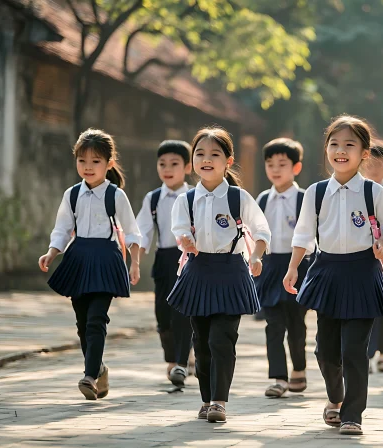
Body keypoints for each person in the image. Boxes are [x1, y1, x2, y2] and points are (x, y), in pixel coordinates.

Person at [284, 115, 383, 435]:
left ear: (364, 153)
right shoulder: (316, 193)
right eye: (334, 144)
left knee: (354, 350)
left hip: (363, 273)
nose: (340, 150)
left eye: (349, 145)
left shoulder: (375, 193)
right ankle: (335, 397)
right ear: (326, 150)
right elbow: (304, 233)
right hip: (327, 273)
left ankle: (353, 414)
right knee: (325, 349)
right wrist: (293, 267)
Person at [167, 127, 271, 423]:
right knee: (200, 342)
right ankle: (205, 399)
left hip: (231, 272)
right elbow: (180, 230)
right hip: (198, 272)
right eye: (200, 153)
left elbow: (261, 229)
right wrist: (186, 240)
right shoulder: (185, 200)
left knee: (221, 340)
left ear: (229, 160)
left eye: (215, 154)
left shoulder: (239, 198)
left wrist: (256, 255)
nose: (206, 159)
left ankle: (219, 401)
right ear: (192, 161)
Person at [39, 128, 142, 400]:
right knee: (82, 323)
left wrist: (135, 264)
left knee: (97, 319)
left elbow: (132, 232)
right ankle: (99, 369)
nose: (88, 167)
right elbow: (62, 228)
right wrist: (51, 253)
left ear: (109, 163)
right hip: (79, 258)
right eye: (82, 160)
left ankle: (88, 376)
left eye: (95, 161)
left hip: (106, 260)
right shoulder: (72, 195)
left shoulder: (116, 196)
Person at [254, 138, 313, 398]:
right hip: (270, 267)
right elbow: (255, 233)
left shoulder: (305, 199)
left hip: (298, 266)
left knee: (296, 323)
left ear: (296, 168)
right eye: (270, 164)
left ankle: (298, 368)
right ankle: (279, 377)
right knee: (273, 324)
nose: (275, 169)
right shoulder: (263, 199)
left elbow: (313, 235)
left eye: (282, 164)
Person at [136, 140, 193, 387]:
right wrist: (134, 262)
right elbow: (142, 232)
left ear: (187, 167)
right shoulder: (153, 198)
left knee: (184, 313)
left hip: (190, 260)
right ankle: (173, 358)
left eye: (174, 163)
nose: (167, 168)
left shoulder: (195, 196)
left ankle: (180, 363)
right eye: (162, 164)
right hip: (163, 259)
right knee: (163, 314)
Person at [361, 139, 383, 372]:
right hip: (363, 257)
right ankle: (369, 354)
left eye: (378, 164)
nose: (373, 168)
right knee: (368, 308)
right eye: (369, 163)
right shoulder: (357, 191)